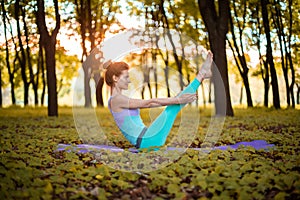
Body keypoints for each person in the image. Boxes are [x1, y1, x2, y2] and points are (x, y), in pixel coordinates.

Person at [104, 51, 213, 149]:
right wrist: (178, 100)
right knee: (172, 108)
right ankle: (201, 74)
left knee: (173, 106)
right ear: (115, 78)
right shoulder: (116, 100)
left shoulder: (119, 99)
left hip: (147, 137)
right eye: (126, 77)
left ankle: (202, 75)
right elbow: (149, 103)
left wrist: (178, 100)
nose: (129, 81)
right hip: (146, 141)